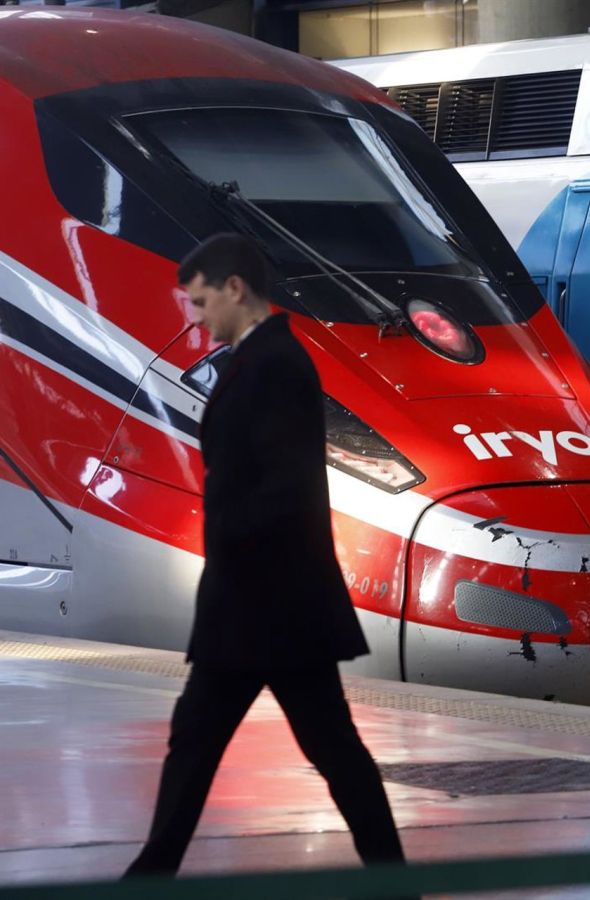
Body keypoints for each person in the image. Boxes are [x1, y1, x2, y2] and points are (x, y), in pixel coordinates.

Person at [124, 234, 405, 877]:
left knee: (309, 751)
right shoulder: (263, 359)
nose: (197, 318)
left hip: (266, 609)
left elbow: (281, 489)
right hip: (266, 610)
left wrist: (230, 556)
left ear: (235, 288)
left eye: (201, 302)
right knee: (223, 745)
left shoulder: (273, 365)